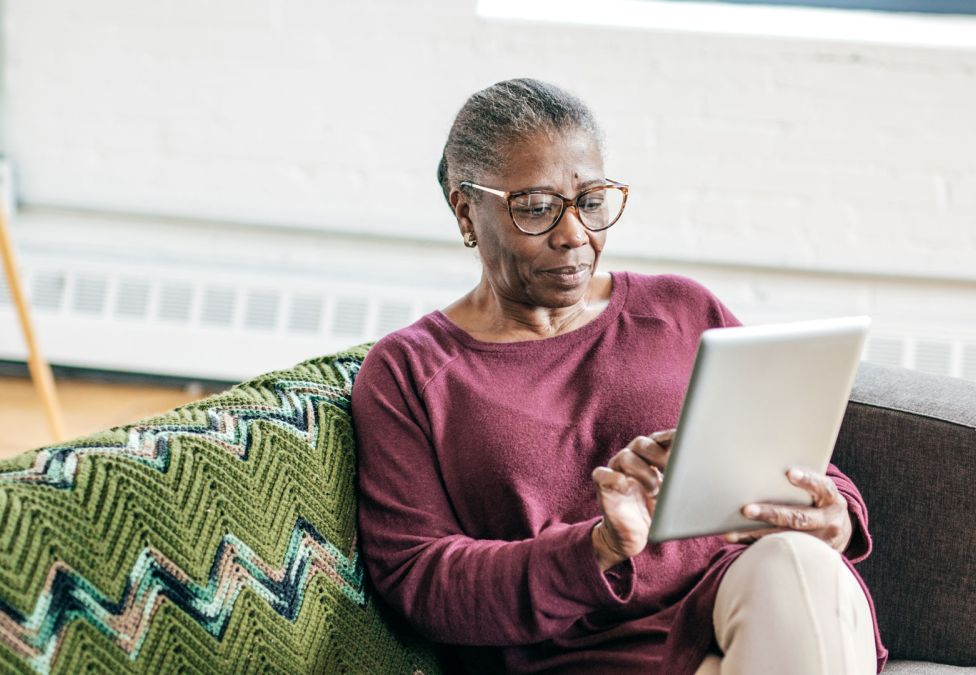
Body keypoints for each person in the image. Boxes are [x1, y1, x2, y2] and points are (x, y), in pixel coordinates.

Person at [351, 78, 888, 674]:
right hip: (592, 658)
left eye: (592, 201)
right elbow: (419, 580)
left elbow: (805, 469)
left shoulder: (682, 311)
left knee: (799, 562)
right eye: (536, 208)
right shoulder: (410, 371)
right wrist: (599, 547)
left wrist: (833, 513)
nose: (574, 235)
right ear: (465, 212)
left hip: (750, 609)